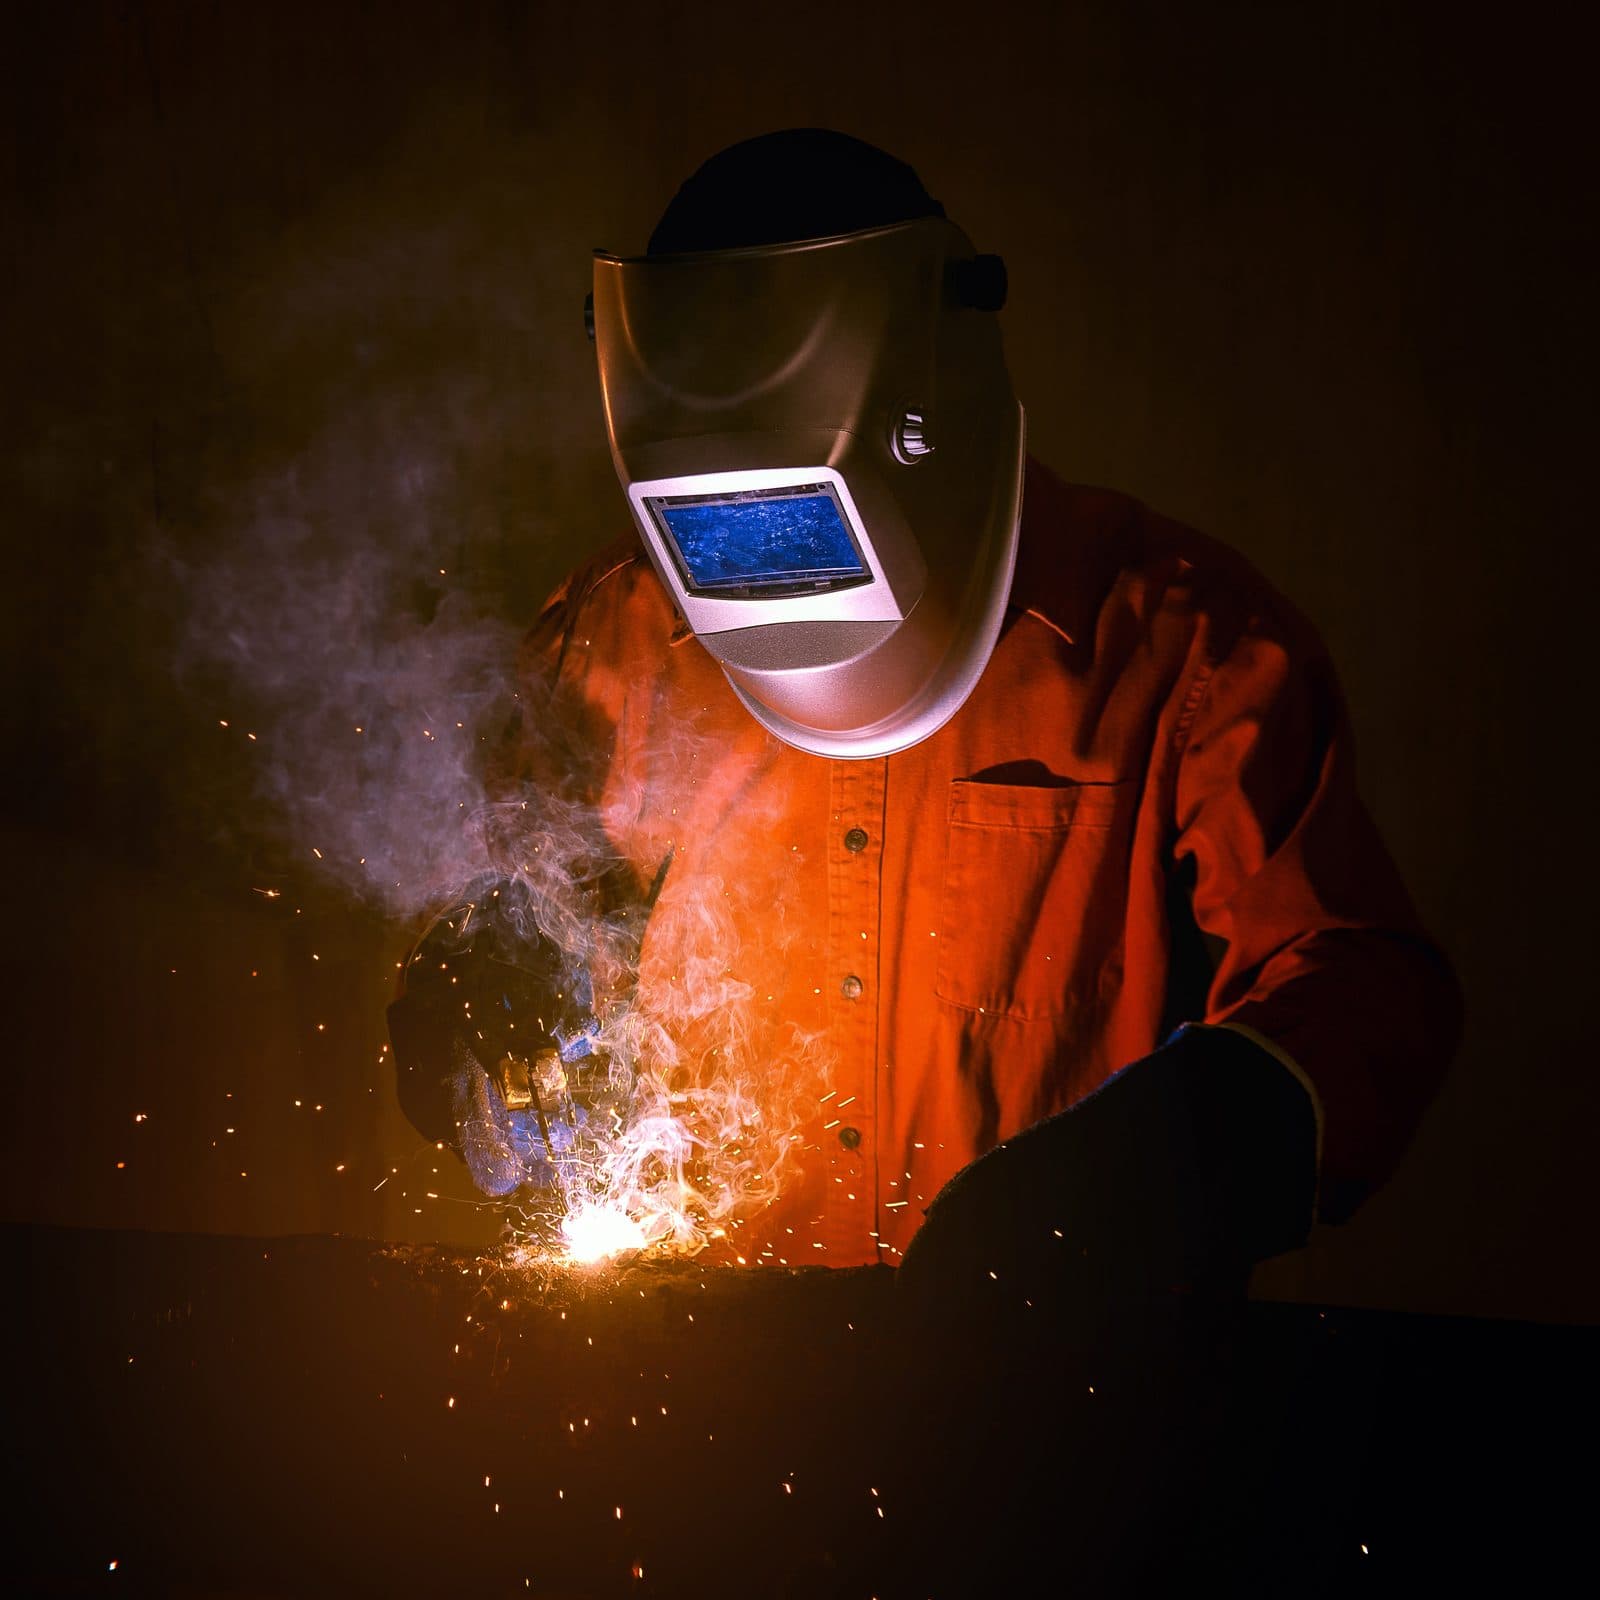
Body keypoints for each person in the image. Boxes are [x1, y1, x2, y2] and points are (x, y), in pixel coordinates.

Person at [389, 129, 1460, 1307]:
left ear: (923, 419)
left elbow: (1361, 984)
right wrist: (476, 1006)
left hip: (1056, 1371)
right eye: (715, 528)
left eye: (801, 518)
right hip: (716, 1369)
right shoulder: (616, 636)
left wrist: (1176, 1151)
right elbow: (514, 905)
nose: (768, 570)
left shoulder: (1183, 649)